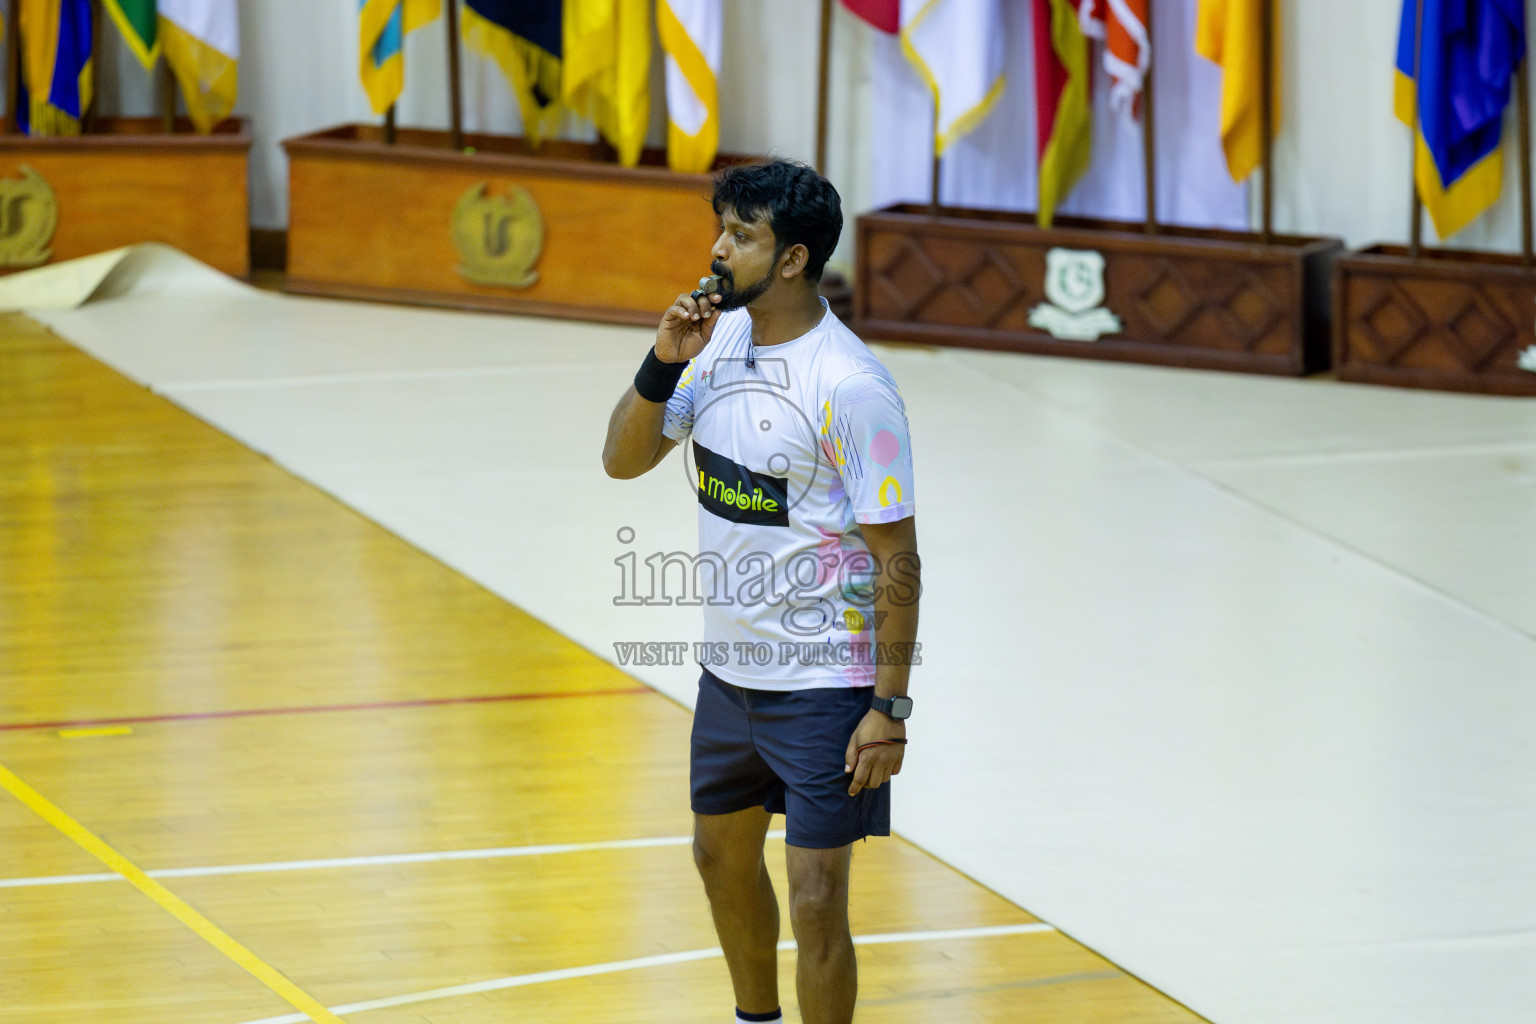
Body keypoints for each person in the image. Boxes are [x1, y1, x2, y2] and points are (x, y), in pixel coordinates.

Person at [602, 160, 919, 1024]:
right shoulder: (714, 348)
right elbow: (622, 460)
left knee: (817, 896)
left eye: (742, 235)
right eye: (722, 227)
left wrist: (888, 705)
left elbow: (900, 559)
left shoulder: (853, 390)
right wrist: (663, 361)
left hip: (824, 687)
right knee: (717, 858)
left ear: (792, 259)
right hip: (729, 677)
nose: (717, 248)